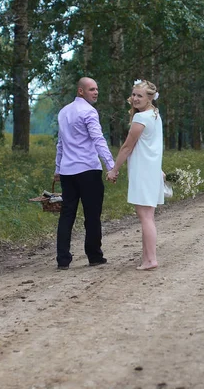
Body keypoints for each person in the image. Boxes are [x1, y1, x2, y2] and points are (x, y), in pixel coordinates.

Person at [54, 77, 115, 270]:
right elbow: (98, 139)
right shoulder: (89, 111)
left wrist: (58, 168)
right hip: (88, 170)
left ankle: (63, 259)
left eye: (96, 89)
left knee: (67, 215)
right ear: (81, 91)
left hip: (68, 172)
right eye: (91, 89)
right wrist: (111, 165)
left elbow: (60, 143)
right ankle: (94, 256)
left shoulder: (63, 112)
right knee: (92, 215)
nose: (95, 92)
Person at [107, 80, 164, 271]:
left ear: (149, 97)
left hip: (143, 170)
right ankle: (147, 257)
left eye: (140, 95)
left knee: (145, 216)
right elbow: (154, 145)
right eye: (133, 95)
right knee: (147, 215)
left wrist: (114, 169)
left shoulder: (141, 119)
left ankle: (151, 259)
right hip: (151, 169)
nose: (135, 98)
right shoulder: (154, 115)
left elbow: (127, 147)